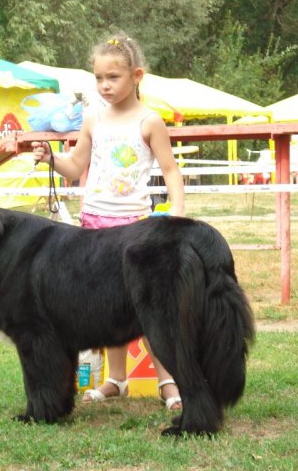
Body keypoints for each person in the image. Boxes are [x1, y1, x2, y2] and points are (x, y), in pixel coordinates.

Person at [32, 33, 185, 411]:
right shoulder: (92, 118)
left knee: (145, 307)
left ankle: (167, 380)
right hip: (93, 227)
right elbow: (75, 166)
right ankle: (116, 380)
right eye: (98, 77)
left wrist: (176, 217)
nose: (104, 85)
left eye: (113, 77)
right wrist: (51, 158)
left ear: (136, 75)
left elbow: (171, 171)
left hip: (135, 228)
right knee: (106, 307)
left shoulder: (150, 122)